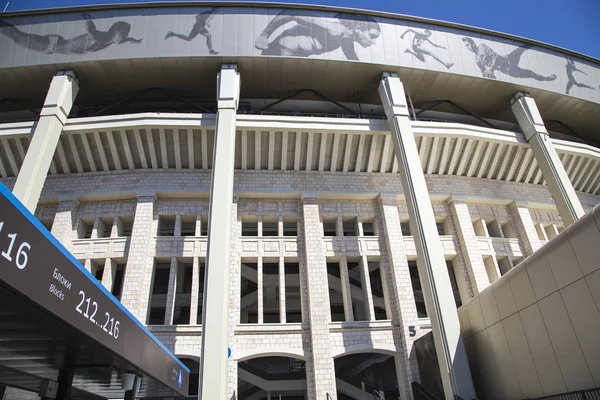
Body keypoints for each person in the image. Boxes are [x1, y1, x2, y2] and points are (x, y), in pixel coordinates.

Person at [254, 10, 380, 60]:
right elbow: (291, 13)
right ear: (358, 28)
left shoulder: (346, 41)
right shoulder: (334, 29)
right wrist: (265, 35)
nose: (372, 41)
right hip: (282, 50)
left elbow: (353, 60)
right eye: (372, 36)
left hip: (294, 56)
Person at [0, 13, 142, 54]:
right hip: (51, 45)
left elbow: (125, 39)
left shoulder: (110, 40)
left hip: (54, 47)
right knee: (17, 37)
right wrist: (88, 19)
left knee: (17, 37)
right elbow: (92, 31)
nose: (125, 37)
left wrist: (132, 40)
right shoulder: (103, 37)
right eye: (124, 34)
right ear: (116, 31)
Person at [461, 37, 556, 82]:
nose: (468, 48)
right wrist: (490, 75)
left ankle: (538, 42)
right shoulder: (477, 60)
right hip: (510, 71)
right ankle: (545, 78)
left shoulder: (482, 46)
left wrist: (491, 69)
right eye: (466, 46)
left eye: (468, 45)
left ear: (472, 43)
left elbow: (495, 57)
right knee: (530, 73)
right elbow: (484, 72)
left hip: (509, 60)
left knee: (520, 49)